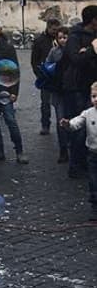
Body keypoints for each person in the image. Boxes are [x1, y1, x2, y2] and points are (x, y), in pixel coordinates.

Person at [0, 20, 28, 164]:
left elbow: (14, 70)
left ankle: (19, 151)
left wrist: (14, 91)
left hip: (5, 89)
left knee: (11, 121)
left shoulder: (7, 48)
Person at [61, 5, 97, 179]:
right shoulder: (74, 36)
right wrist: (91, 50)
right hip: (76, 87)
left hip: (93, 86)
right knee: (80, 126)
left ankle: (88, 161)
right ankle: (75, 165)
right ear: (93, 21)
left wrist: (87, 52)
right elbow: (75, 59)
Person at [59, 81, 97, 221]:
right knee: (93, 181)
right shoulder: (88, 113)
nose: (96, 99)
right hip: (93, 154)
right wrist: (68, 124)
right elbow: (77, 123)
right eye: (93, 96)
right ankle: (95, 206)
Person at [44, 27, 70, 163]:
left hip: (72, 90)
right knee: (60, 121)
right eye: (60, 38)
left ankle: (73, 147)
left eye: (65, 37)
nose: (62, 40)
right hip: (58, 91)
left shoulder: (75, 51)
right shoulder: (54, 51)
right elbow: (47, 65)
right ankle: (63, 150)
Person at [31, 18, 61, 135]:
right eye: (53, 30)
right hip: (45, 77)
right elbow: (34, 61)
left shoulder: (62, 39)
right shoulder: (39, 41)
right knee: (45, 103)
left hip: (60, 77)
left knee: (61, 102)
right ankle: (45, 125)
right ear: (48, 28)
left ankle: (63, 124)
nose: (55, 32)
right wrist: (40, 75)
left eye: (57, 30)